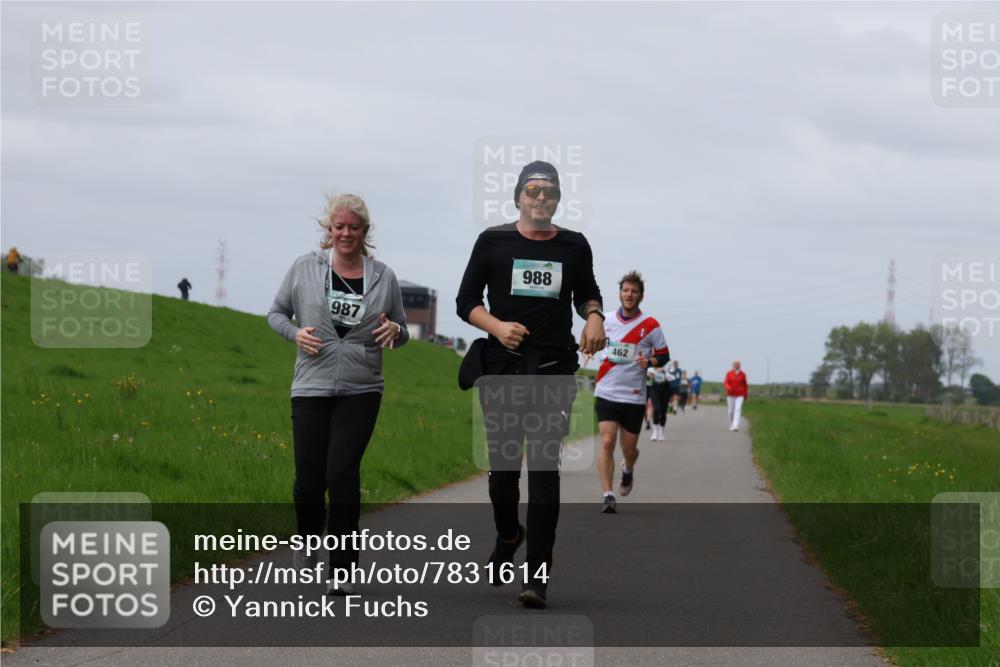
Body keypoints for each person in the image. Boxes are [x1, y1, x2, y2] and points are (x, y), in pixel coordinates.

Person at [456, 160, 605, 609]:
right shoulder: (493, 242)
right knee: (502, 477)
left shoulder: (574, 245)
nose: (541, 198)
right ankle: (509, 533)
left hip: (553, 370)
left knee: (543, 474)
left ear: (558, 199)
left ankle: (537, 575)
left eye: (550, 192)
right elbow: (467, 301)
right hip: (502, 369)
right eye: (533, 190)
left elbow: (587, 294)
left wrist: (595, 317)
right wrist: (498, 327)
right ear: (518, 196)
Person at [268, 193, 408, 596]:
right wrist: (295, 333)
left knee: (342, 475)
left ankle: (342, 569)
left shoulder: (383, 276)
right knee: (309, 481)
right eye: (339, 226)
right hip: (310, 384)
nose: (346, 233)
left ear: (365, 231)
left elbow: (399, 329)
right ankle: (309, 538)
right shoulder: (304, 268)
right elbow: (275, 313)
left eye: (354, 227)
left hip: (362, 387)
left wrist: (395, 333)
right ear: (329, 231)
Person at [593, 271, 669, 513]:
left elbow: (664, 355)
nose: (629, 294)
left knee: (629, 450)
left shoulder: (651, 325)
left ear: (641, 296)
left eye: (634, 291)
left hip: (634, 396)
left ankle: (627, 470)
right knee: (606, 441)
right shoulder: (605, 321)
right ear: (620, 293)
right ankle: (607, 494)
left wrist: (651, 363)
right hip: (606, 390)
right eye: (626, 290)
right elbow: (590, 341)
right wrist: (587, 349)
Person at [724, 360, 749, 431]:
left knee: (737, 409)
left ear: (740, 366)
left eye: (737, 364)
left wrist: (746, 394)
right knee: (730, 411)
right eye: (735, 364)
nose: (736, 365)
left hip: (740, 395)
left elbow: (745, 385)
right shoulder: (729, 373)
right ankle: (732, 423)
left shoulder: (743, 374)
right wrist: (728, 387)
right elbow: (726, 382)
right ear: (733, 365)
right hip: (730, 395)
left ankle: (736, 425)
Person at [648, 364, 669, 441]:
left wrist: (665, 376)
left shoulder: (667, 366)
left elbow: (672, 377)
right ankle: (655, 431)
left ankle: (661, 431)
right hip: (655, 390)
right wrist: (653, 375)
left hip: (665, 390)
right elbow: (648, 377)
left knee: (663, 411)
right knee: (656, 409)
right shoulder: (651, 368)